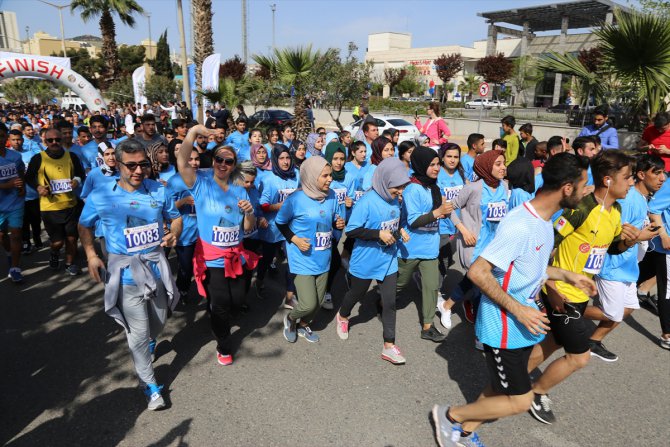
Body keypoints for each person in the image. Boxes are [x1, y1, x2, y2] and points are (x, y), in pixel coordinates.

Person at [431, 153, 595, 447]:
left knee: (500, 386)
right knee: (520, 401)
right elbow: (479, 272)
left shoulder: (544, 221)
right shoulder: (521, 224)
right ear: (567, 188)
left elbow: (529, 268)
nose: (587, 192)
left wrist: (566, 275)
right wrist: (519, 309)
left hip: (522, 325)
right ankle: (449, 415)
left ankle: (463, 431)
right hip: (503, 326)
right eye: (584, 186)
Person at [527, 151, 641, 425]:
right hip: (560, 292)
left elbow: (610, 248)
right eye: (627, 177)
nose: (631, 182)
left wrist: (628, 241)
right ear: (608, 180)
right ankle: (535, 392)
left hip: (580, 293)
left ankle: (511, 376)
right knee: (579, 357)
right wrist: (550, 284)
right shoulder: (581, 208)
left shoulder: (616, 211)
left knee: (553, 342)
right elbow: (547, 242)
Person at [79, 138, 181, 411]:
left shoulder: (158, 190)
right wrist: (91, 254)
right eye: (131, 165)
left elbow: (176, 217)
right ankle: (149, 385)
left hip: (155, 269)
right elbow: (84, 225)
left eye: (143, 165)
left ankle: (151, 340)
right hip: (125, 275)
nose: (138, 170)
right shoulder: (101, 195)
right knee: (138, 333)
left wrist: (174, 233)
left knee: (158, 323)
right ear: (118, 164)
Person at [177, 125, 258, 365]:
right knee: (221, 303)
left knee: (237, 300)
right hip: (211, 257)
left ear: (233, 165)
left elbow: (247, 228)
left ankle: (216, 312)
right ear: (213, 161)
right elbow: (182, 162)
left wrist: (250, 213)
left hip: (236, 255)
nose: (223, 164)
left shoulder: (239, 190)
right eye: (219, 159)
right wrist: (194, 132)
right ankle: (224, 345)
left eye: (228, 161)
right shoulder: (200, 184)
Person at [586, 154, 665, 361]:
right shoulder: (629, 199)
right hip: (613, 264)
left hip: (628, 266)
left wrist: (643, 233)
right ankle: (562, 311)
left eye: (664, 173)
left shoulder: (641, 199)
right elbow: (614, 232)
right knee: (612, 312)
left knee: (628, 307)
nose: (663, 178)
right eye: (657, 173)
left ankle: (593, 341)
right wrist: (641, 236)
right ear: (641, 175)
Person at [336, 158, 410, 363]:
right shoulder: (367, 201)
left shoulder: (396, 199)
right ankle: (343, 316)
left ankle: (389, 346)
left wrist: (400, 230)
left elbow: (395, 222)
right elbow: (352, 230)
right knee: (356, 293)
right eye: (397, 187)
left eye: (402, 187)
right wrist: (378, 234)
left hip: (388, 259)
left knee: (390, 302)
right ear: (385, 181)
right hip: (366, 260)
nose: (400, 192)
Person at [437, 150, 509, 331]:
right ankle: (481, 328)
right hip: (473, 244)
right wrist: (463, 230)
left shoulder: (504, 186)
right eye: (498, 164)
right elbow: (449, 208)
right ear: (486, 166)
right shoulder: (474, 188)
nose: (503, 168)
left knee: (477, 281)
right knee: (480, 281)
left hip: (494, 245)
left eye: (504, 163)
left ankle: (447, 305)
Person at [277, 156, 345, 344]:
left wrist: (337, 223)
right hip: (302, 257)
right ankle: (291, 319)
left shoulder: (331, 195)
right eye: (325, 176)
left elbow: (330, 219)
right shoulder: (295, 199)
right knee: (308, 303)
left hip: (323, 256)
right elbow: (280, 222)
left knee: (320, 301)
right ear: (312, 176)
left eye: (330, 175)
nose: (330, 179)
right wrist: (295, 240)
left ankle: (303, 324)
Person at [397, 146, 455, 342]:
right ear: (421, 165)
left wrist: (444, 214)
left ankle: (428, 327)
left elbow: (438, 213)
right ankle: (382, 300)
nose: (437, 168)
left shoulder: (434, 187)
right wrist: (438, 212)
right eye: (432, 164)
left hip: (430, 248)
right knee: (399, 284)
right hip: (410, 248)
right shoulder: (412, 189)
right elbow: (413, 220)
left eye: (438, 164)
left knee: (431, 287)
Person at [25, 128, 86, 275]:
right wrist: (38, 187)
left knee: (71, 238)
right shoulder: (38, 158)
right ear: (45, 141)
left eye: (57, 140)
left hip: (70, 205)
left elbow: (80, 173)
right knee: (58, 242)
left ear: (62, 140)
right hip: (50, 208)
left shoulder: (71, 156)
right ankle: (54, 252)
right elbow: (29, 177)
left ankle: (69, 263)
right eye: (50, 140)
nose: (54, 142)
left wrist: (77, 181)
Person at [257, 144, 300, 306]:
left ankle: (290, 296)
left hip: (291, 227)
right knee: (267, 258)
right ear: (275, 160)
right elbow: (263, 205)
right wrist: (281, 206)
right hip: (273, 228)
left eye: (288, 157)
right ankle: (259, 280)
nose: (285, 161)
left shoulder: (296, 175)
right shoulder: (268, 179)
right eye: (281, 158)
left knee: (293, 261)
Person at [322, 141, 355, 309]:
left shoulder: (349, 177)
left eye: (342, 158)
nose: (339, 162)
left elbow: (352, 199)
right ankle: (324, 291)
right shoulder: (323, 176)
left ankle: (322, 289)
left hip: (339, 225)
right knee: (333, 260)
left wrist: (350, 203)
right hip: (324, 224)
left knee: (331, 259)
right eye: (335, 158)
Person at [167, 146, 201, 304]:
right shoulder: (174, 181)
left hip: (204, 232)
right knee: (186, 267)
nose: (194, 162)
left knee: (204, 265)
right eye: (190, 159)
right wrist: (184, 201)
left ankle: (206, 291)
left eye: (197, 159)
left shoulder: (205, 177)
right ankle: (182, 289)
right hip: (185, 232)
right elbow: (167, 208)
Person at [0, 123, 26, 282]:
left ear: (6, 137)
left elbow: (21, 171)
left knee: (16, 234)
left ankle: (15, 268)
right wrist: (7, 185)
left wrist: (22, 186)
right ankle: (9, 254)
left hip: (15, 201)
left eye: (2, 136)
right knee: (2, 235)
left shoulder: (15, 156)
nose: (0, 139)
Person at [9, 129, 42, 253]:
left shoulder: (31, 154)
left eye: (18, 139)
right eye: (13, 140)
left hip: (33, 194)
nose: (16, 142)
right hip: (16, 195)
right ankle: (26, 242)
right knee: (23, 221)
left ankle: (37, 237)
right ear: (9, 140)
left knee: (36, 219)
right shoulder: (7, 156)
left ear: (23, 140)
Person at [648, 161, 670, 350]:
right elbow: (653, 210)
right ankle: (667, 335)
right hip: (667, 248)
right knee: (668, 290)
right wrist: (663, 235)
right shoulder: (669, 184)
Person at [436, 143, 465, 279]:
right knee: (445, 258)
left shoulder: (461, 174)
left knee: (447, 259)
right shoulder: (437, 174)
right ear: (442, 157)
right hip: (441, 224)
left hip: (457, 224)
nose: (452, 160)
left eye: (456, 157)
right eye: (449, 156)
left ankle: (424, 278)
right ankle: (436, 288)